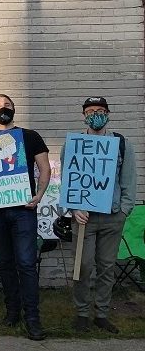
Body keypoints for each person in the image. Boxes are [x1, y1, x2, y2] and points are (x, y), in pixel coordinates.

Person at [0, 94, 50, 341]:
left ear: (13, 109)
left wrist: (39, 195)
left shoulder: (30, 136)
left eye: (7, 105)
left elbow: (44, 167)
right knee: (5, 262)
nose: (3, 108)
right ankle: (12, 312)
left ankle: (33, 318)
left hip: (24, 210)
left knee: (25, 262)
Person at [64, 97, 137, 334]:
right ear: (84, 115)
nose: (96, 114)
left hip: (112, 217)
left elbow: (129, 181)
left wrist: (124, 210)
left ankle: (102, 314)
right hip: (84, 218)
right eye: (91, 110)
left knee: (106, 266)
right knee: (83, 266)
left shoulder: (121, 144)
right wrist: (74, 208)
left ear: (108, 113)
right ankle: (82, 313)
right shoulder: (74, 145)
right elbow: (67, 181)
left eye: (101, 110)